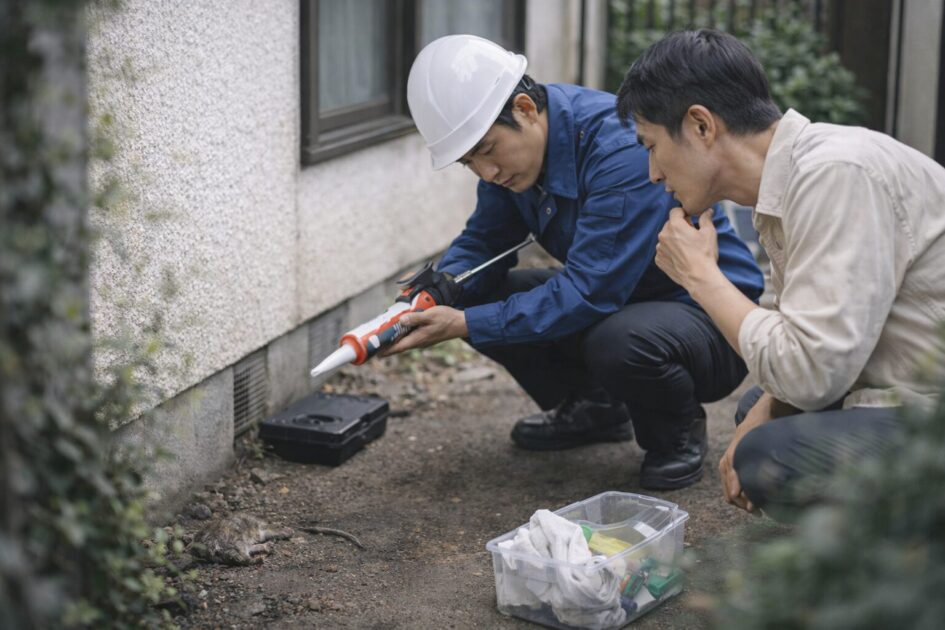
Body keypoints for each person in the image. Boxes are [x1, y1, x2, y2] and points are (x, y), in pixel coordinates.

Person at [388, 34, 764, 490]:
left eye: (487, 150)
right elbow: (485, 239)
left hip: (709, 315)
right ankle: (596, 410)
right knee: (488, 293)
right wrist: (440, 286)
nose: (486, 172)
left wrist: (464, 322)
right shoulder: (511, 168)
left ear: (525, 109)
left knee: (616, 338)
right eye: (469, 162)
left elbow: (589, 292)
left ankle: (676, 434)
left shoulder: (619, 151)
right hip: (622, 302)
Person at [616, 29, 945, 515]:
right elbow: (809, 345)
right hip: (908, 389)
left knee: (769, 453)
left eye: (651, 145)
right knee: (760, 410)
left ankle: (904, 568)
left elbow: (811, 373)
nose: (653, 173)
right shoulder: (799, 176)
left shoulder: (835, 175)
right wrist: (774, 402)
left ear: (702, 126)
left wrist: (701, 276)